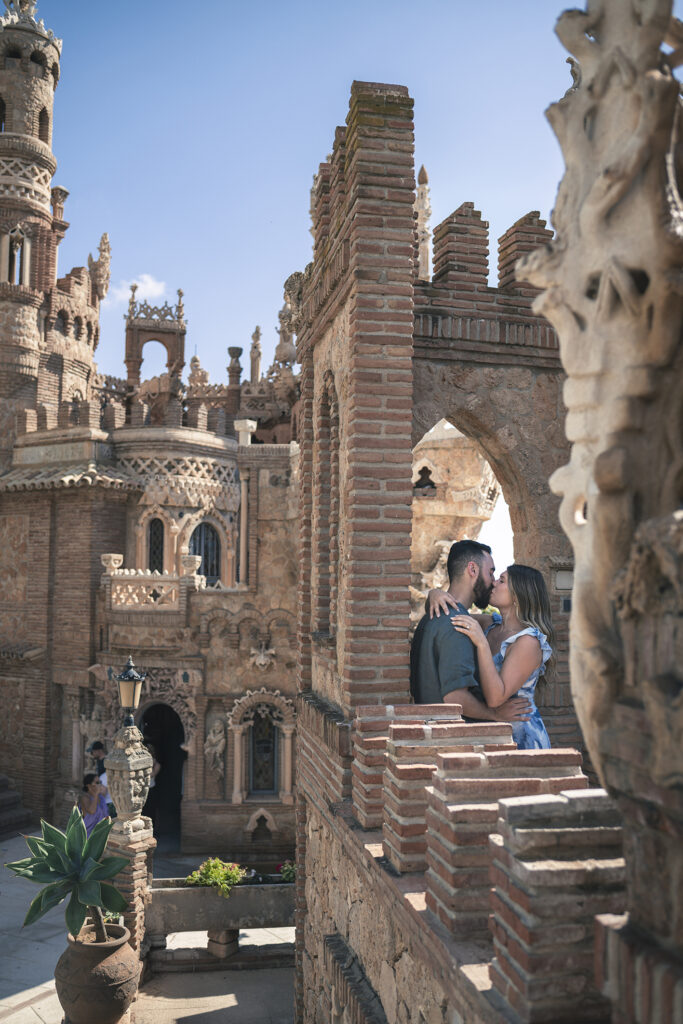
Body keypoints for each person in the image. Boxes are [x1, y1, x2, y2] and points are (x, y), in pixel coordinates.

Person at [427, 563, 553, 749]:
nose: (493, 583)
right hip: (493, 735)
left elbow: (496, 698)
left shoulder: (529, 642)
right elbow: (451, 615)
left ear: (517, 595)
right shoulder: (489, 624)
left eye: (501, 580)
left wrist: (482, 644)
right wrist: (434, 594)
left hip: (522, 738)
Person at [410, 539, 532, 726]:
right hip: (453, 739)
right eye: (491, 572)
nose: (493, 581)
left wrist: (433, 594)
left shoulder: (432, 617)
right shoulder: (459, 624)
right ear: (472, 570)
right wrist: (496, 715)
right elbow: (455, 698)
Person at [87, 739, 116, 816]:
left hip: (108, 795)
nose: (91, 754)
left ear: (98, 751)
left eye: (92, 751)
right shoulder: (99, 761)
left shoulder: (106, 762)